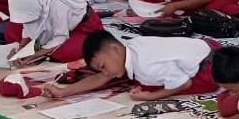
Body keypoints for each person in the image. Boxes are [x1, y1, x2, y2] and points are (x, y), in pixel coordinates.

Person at [39, 30, 219, 100]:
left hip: (211, 67)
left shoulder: (145, 66)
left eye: (103, 66)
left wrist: (151, 97)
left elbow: (184, 83)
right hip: (205, 47)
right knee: (141, 84)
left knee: (150, 86)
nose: (104, 72)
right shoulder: (131, 47)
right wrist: (62, 92)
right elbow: (101, 77)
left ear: (115, 49)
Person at [4, 0, 102, 65]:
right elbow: (27, 24)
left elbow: (60, 37)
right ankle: (43, 50)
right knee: (11, 28)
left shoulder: (57, 4)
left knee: (65, 52)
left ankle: (44, 52)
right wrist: (21, 48)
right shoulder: (33, 1)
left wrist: (34, 55)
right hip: (55, 26)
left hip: (80, 28)